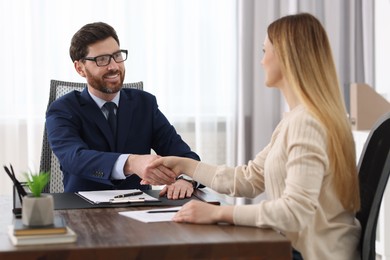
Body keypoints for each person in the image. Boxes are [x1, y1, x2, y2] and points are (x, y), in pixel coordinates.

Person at [144, 13, 361, 259]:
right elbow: (248, 179)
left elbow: (294, 211)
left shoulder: (306, 123)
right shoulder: (298, 119)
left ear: (286, 57)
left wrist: (217, 213)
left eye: (264, 50)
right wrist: (184, 164)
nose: (262, 61)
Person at [46, 22, 200, 199]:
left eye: (117, 56)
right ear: (80, 68)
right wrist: (132, 162)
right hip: (82, 209)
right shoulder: (62, 109)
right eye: (102, 59)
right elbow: (74, 158)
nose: (113, 66)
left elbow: (184, 155)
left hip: (138, 209)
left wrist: (185, 179)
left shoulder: (145, 104)